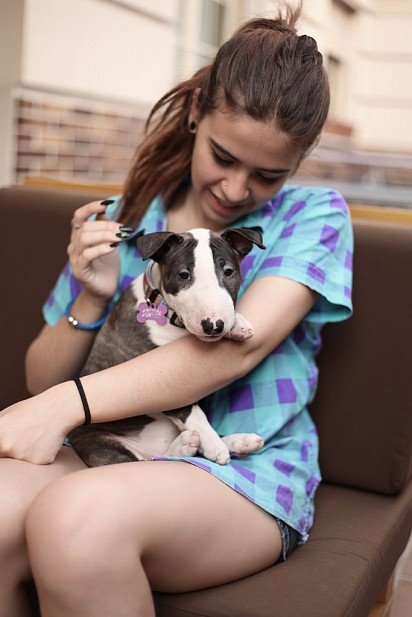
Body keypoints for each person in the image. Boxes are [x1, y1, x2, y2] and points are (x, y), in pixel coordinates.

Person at [0, 3, 353, 616]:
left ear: (298, 163)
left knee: (75, 520)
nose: (237, 190)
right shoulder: (131, 223)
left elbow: (227, 352)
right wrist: (94, 294)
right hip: (112, 442)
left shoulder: (311, 218)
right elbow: (41, 378)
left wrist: (59, 406)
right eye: (223, 156)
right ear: (196, 114)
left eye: (268, 175)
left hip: (246, 468)